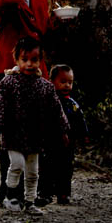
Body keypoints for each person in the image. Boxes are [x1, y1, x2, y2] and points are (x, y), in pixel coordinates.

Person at [0, 0, 52, 206]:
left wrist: (57, 22)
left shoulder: (39, 0)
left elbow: (44, 33)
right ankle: (9, 193)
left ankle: (34, 192)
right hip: (8, 73)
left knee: (38, 134)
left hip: (37, 75)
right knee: (10, 137)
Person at [0, 37, 69, 215]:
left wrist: (62, 130)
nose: (29, 64)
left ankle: (30, 202)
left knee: (33, 172)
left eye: (34, 60)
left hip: (36, 136)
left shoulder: (45, 87)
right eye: (25, 60)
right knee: (16, 164)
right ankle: (10, 197)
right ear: (17, 60)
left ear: (40, 61)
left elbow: (56, 110)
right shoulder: (8, 83)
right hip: (13, 135)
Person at [39, 64, 88, 205]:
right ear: (52, 81)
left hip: (68, 145)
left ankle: (64, 194)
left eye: (70, 82)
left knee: (65, 169)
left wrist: (84, 134)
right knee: (46, 168)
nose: (67, 85)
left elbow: (80, 120)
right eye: (63, 82)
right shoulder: (48, 102)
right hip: (49, 142)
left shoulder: (72, 104)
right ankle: (45, 193)